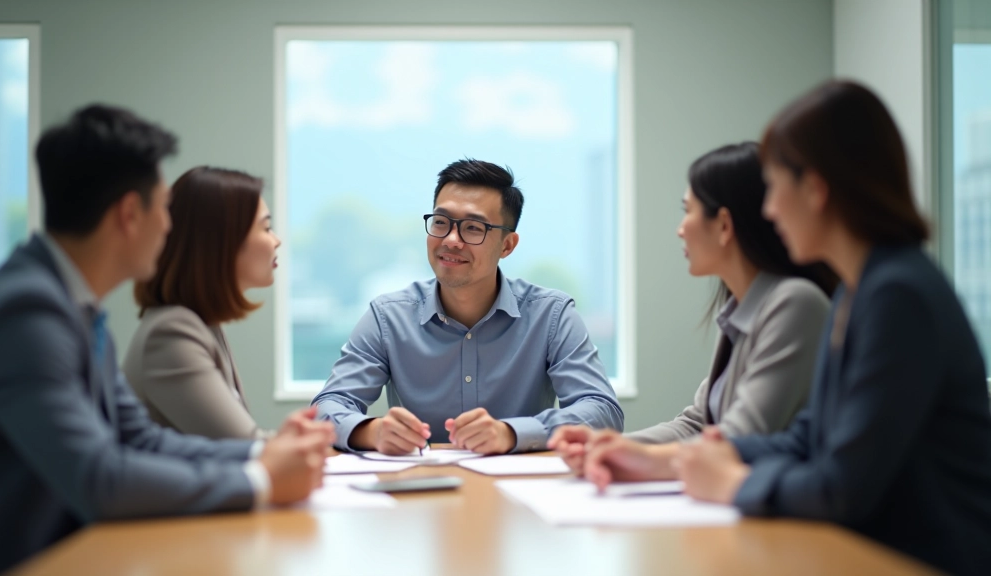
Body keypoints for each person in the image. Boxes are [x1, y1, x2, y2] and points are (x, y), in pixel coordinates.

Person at [583, 81, 991, 576]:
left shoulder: (896, 294)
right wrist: (668, 462)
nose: (770, 211)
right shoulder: (857, 292)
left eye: (775, 188)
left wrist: (730, 483)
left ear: (816, 190)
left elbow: (842, 486)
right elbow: (808, 436)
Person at [0, 105, 333, 576]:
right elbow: (100, 478)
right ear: (128, 215)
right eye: (163, 207)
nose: (169, 226)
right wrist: (260, 478)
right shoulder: (27, 313)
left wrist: (263, 453)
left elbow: (138, 438)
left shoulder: (74, 306)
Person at [550, 143, 835, 478]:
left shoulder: (795, 304)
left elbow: (737, 439)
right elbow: (697, 423)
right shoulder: (740, 309)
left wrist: (632, 457)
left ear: (724, 226)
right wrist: (606, 445)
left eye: (688, 211)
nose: (681, 228)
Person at [312, 159, 624, 455]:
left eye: (473, 228)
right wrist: (372, 432)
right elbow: (328, 407)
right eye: (441, 222)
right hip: (418, 490)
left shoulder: (551, 315)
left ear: (507, 245)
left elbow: (602, 411)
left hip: (521, 493)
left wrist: (512, 433)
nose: (450, 239)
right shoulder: (388, 317)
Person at [124, 166, 281, 439]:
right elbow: (245, 447)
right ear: (223, 242)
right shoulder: (172, 333)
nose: (276, 240)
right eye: (266, 228)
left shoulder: (201, 323)